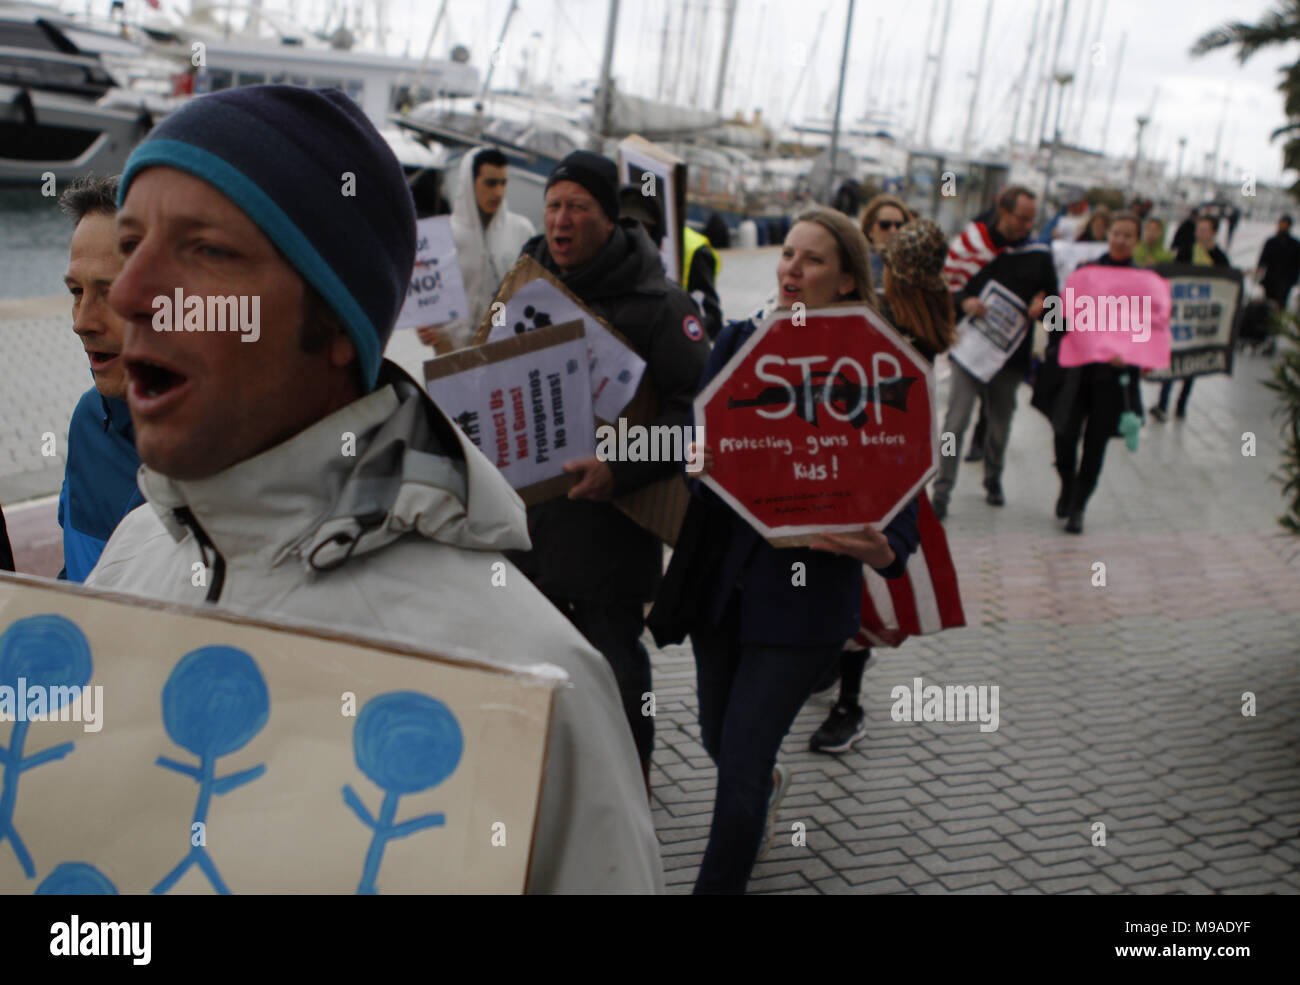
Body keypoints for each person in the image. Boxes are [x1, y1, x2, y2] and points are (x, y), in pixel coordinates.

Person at [84, 85, 663, 893]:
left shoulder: (532, 685)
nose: (128, 291)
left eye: (205, 250)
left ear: (331, 323)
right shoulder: (129, 557)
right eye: (131, 240)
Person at [679, 207, 920, 892]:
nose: (791, 268)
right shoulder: (737, 341)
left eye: (812, 260)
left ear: (847, 279)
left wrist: (879, 549)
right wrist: (694, 464)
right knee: (719, 741)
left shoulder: (881, 367)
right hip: (724, 589)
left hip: (808, 606)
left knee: (744, 761)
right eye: (787, 254)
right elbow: (697, 457)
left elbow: (904, 504)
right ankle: (763, 790)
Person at [512, 150, 709, 789]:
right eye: (552, 205)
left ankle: (631, 789)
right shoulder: (523, 283)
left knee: (615, 668)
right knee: (531, 661)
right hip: (529, 523)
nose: (561, 220)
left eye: (577, 207)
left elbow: (698, 418)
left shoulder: (660, 302)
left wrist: (619, 466)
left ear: (608, 218)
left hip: (612, 525)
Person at [809, 217, 955, 754]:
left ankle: (848, 699)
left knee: (856, 587)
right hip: (895, 470)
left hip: (861, 465)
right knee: (860, 582)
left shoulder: (882, 319)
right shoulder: (934, 311)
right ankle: (839, 683)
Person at [933, 185, 1057, 521]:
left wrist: (1044, 306)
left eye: (1033, 219)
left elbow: (1056, 310)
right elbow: (947, 286)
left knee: (999, 428)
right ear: (1003, 212)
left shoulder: (1040, 254)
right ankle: (941, 490)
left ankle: (993, 480)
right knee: (954, 424)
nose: (1028, 226)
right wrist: (964, 302)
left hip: (1009, 358)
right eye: (1022, 218)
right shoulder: (976, 247)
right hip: (970, 349)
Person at [55, 175, 144, 582]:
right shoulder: (88, 421)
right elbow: (78, 577)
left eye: (110, 293)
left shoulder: (244, 452)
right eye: (76, 291)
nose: (82, 322)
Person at [1033, 211, 1145, 534]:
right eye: (1116, 233)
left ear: (1135, 241)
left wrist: (1130, 355)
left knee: (1096, 444)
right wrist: (1046, 312)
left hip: (1111, 380)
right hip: (1077, 372)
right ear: (1107, 235)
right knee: (1063, 433)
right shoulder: (1087, 271)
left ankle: (1079, 505)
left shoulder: (1142, 281)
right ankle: (1067, 483)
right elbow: (1064, 316)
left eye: (1127, 235)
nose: (1120, 240)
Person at [417, 147, 534, 352]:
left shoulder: (522, 232)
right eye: (490, 183)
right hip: (450, 355)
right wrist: (425, 324)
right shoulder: (443, 235)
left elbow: (533, 292)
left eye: (503, 183)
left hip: (503, 353)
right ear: (470, 183)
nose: (498, 192)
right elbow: (425, 297)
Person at [618, 183, 724, 340]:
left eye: (642, 226)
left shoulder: (694, 250)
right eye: (624, 225)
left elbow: (712, 321)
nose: (633, 233)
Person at [1157, 215, 1231, 421]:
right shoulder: (1186, 252)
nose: (1200, 233)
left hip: (1201, 319)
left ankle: (1182, 403)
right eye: (1199, 229)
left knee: (1193, 361)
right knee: (1172, 359)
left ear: (1214, 232)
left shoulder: (1219, 258)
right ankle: (1162, 403)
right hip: (1181, 316)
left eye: (1205, 229)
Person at [859, 193, 912, 291]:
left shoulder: (912, 268)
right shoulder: (857, 265)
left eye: (899, 225)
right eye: (885, 225)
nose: (893, 231)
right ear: (869, 230)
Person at [1255, 214, 1300, 312]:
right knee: (1267, 303)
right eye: (1282, 224)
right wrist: (1258, 271)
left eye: (1286, 224)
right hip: (1270, 279)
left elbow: (1297, 263)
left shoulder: (1295, 244)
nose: (1283, 226)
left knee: (1280, 304)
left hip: (1286, 281)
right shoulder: (1271, 242)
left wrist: (1293, 279)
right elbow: (1263, 259)